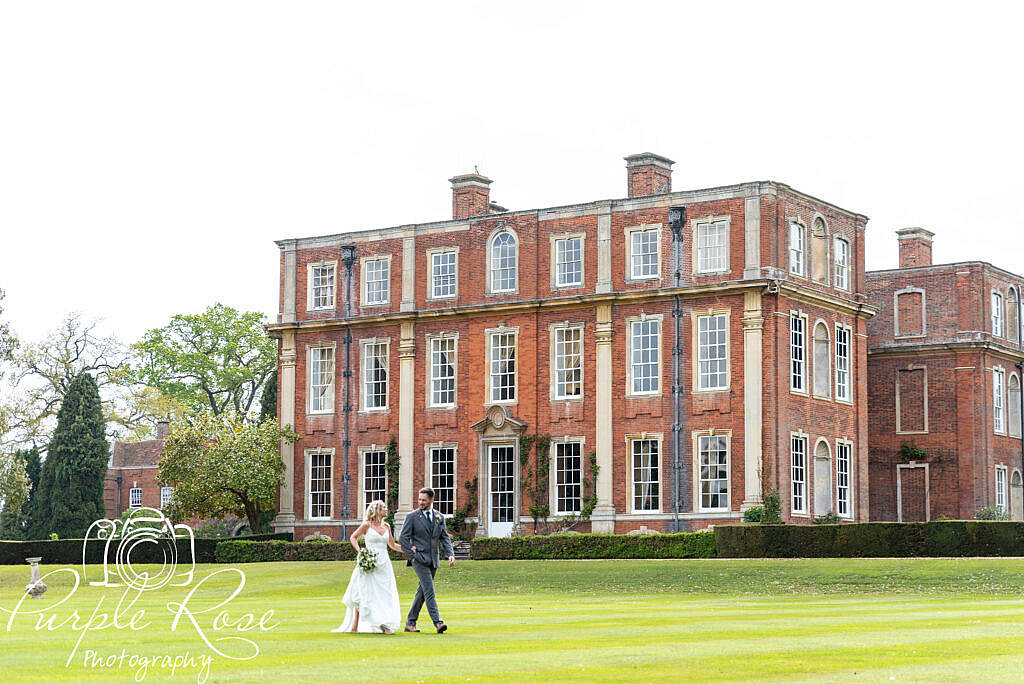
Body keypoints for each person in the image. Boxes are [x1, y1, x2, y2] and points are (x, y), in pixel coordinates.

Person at [332, 500, 404, 634]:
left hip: (384, 564)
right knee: (363, 591)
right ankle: (355, 625)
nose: (386, 509)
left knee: (384, 593)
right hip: (369, 562)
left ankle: (384, 622)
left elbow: (393, 545)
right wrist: (361, 552)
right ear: (377, 510)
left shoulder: (387, 526)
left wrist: (409, 550)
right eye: (383, 507)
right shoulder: (367, 525)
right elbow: (353, 537)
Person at [399, 487, 455, 633]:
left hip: (433, 559)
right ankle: (438, 622)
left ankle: (410, 623)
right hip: (418, 560)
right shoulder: (411, 517)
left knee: (422, 593)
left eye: (424, 500)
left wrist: (450, 554)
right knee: (429, 590)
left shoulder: (439, 517)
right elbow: (403, 537)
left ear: (432, 500)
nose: (420, 502)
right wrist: (411, 555)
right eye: (419, 499)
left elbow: (444, 537)